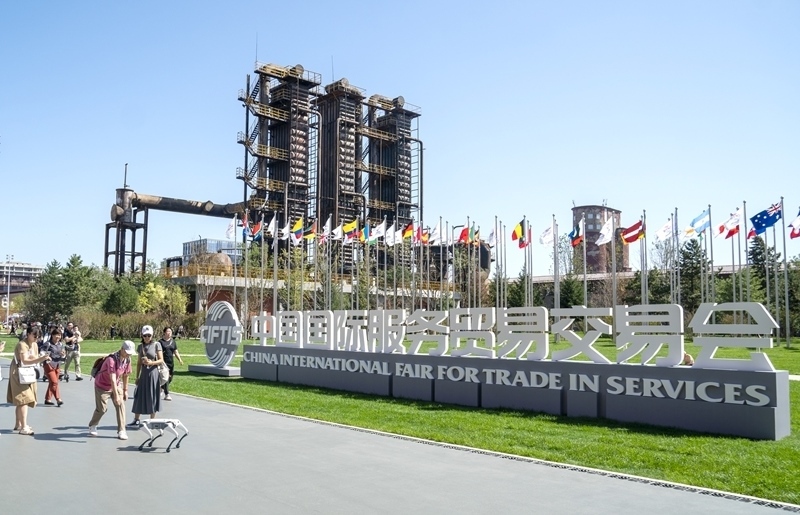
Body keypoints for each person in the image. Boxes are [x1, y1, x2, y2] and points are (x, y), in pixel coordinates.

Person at [7, 326, 51, 435]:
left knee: (22, 400)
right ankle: (24, 427)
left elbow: (33, 357)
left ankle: (18, 424)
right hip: (18, 373)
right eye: (34, 336)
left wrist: (44, 358)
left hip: (28, 373)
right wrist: (41, 359)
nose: (36, 338)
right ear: (28, 334)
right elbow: (25, 361)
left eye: (38, 336)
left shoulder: (34, 344)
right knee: (24, 399)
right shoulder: (22, 344)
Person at [89, 340, 134, 440]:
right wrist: (116, 396)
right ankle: (93, 425)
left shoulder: (127, 359)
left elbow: (126, 375)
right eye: (127, 352)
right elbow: (112, 378)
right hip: (102, 385)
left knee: (121, 406)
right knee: (102, 409)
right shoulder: (111, 360)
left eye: (130, 353)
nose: (128, 354)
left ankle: (122, 430)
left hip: (116, 384)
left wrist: (125, 390)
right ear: (122, 349)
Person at [128, 325, 164, 429]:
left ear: (152, 335)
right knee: (139, 395)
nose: (147, 337)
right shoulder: (140, 346)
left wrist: (152, 363)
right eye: (145, 335)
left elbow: (161, 360)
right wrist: (137, 377)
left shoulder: (157, 345)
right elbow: (139, 363)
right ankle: (136, 419)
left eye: (149, 335)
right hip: (144, 374)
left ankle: (152, 420)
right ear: (142, 336)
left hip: (153, 373)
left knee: (152, 395)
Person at [39, 328, 66, 406]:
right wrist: (46, 357)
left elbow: (63, 355)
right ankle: (58, 399)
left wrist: (63, 354)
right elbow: (42, 352)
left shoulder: (61, 344)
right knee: (54, 382)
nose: (58, 337)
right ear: (52, 335)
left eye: (59, 335)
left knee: (52, 383)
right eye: (56, 335)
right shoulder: (48, 344)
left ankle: (48, 399)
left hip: (57, 365)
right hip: (49, 365)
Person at [158, 327, 183, 401]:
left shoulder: (173, 342)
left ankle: (162, 388)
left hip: (171, 363)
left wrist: (180, 360)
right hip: (163, 363)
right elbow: (157, 352)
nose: (169, 333)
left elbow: (175, 351)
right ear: (164, 332)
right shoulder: (160, 342)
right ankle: (167, 394)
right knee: (166, 378)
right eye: (168, 331)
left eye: (170, 332)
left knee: (170, 378)